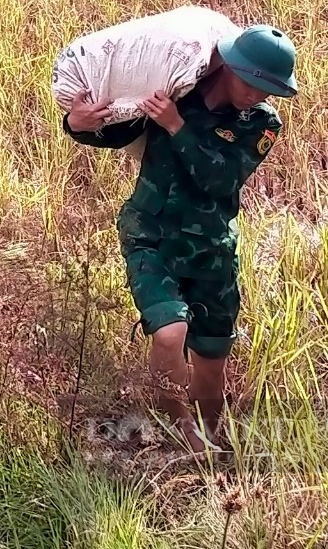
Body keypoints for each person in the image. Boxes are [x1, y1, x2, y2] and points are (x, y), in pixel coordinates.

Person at [61, 24, 298, 454]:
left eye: (269, 90)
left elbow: (223, 178)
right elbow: (116, 128)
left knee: (211, 353)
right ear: (227, 65)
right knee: (169, 334)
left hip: (212, 249)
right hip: (151, 234)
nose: (256, 95)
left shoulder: (262, 123)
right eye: (251, 82)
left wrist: (177, 128)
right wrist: (75, 124)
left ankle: (210, 432)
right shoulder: (175, 90)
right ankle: (181, 432)